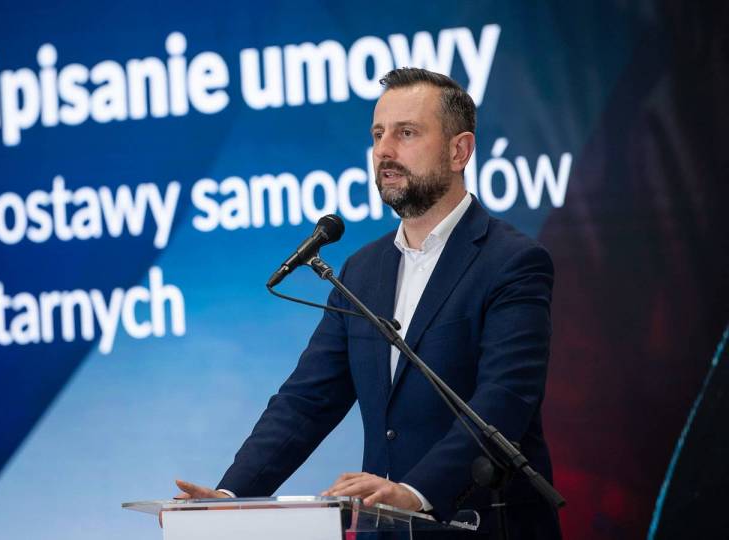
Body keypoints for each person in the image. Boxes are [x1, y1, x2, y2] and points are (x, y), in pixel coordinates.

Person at [175, 67, 562, 538]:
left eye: (406, 133)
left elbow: (505, 399)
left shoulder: (511, 262)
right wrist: (231, 496)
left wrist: (416, 492)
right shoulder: (363, 270)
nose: (384, 151)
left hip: (486, 525)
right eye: (378, 135)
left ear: (459, 151)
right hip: (387, 530)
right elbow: (307, 400)